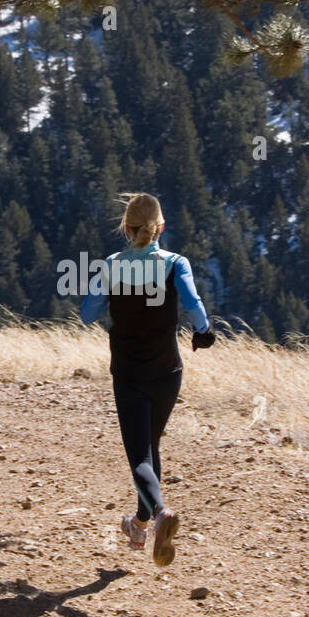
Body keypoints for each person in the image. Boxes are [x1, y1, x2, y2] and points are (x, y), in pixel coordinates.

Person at [79, 193, 215, 566]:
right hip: (168, 373)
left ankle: (159, 514)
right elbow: (193, 304)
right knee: (151, 445)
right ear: (161, 228)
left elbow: (87, 314)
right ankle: (138, 524)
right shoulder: (175, 263)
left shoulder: (112, 266)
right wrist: (204, 331)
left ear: (126, 228)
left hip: (129, 374)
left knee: (140, 456)